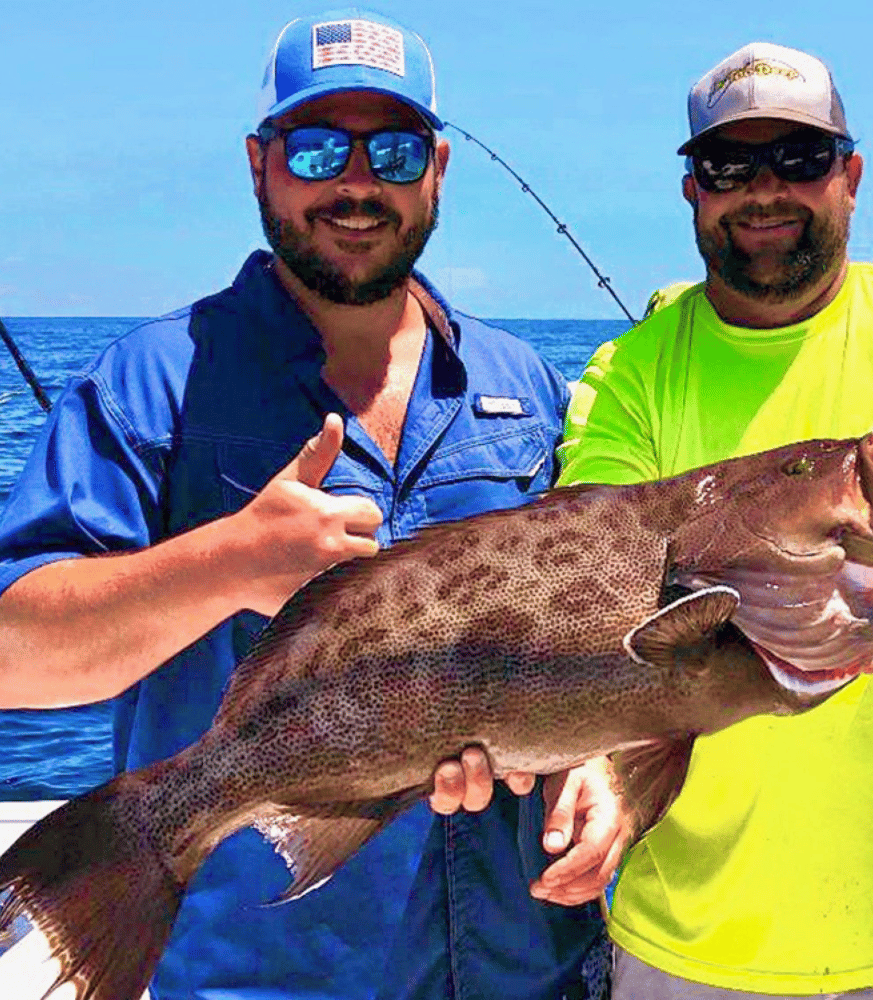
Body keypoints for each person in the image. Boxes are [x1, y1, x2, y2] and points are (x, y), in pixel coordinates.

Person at [0, 9, 624, 998]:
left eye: (394, 148)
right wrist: (226, 563)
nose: (356, 181)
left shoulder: (525, 384)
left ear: (439, 169)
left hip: (527, 964)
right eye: (318, 146)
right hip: (263, 976)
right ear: (259, 164)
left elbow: (588, 638)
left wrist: (596, 762)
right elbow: (15, 657)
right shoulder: (153, 382)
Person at [555, 41, 873, 1000]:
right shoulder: (628, 374)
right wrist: (592, 765)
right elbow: (594, 601)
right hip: (683, 942)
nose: (764, 190)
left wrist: (806, 585)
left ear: (851, 175)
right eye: (728, 166)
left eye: (798, 160)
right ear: (692, 191)